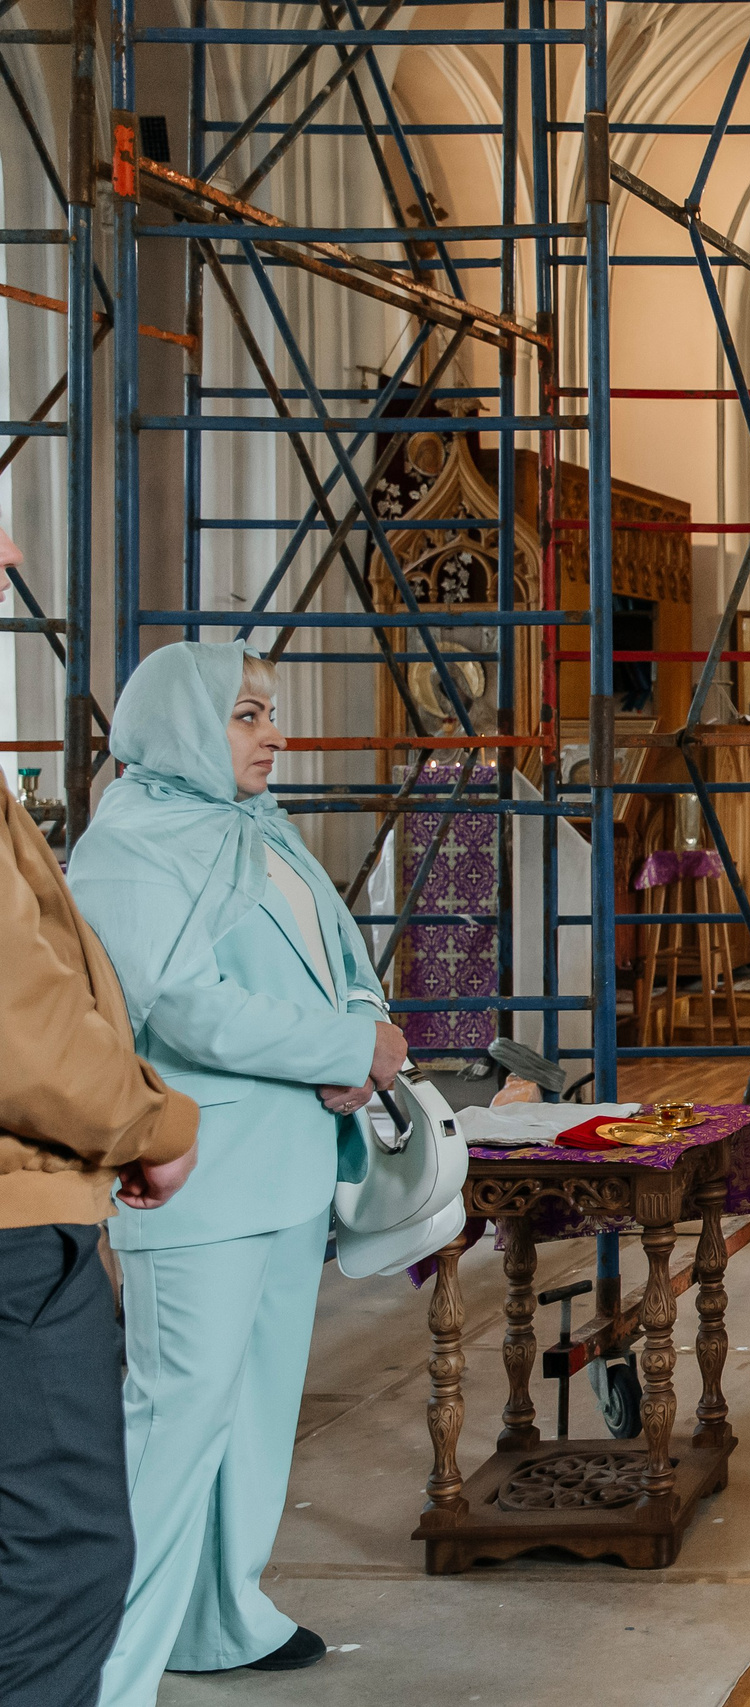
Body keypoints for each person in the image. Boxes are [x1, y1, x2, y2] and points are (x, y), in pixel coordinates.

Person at [67, 641, 408, 1700]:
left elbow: (340, 963)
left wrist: (366, 1023)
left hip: (290, 1163)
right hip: (200, 1171)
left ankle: (222, 1614)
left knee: (255, 1412)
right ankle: (103, 1673)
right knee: (174, 1424)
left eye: (271, 714)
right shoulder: (131, 846)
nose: (277, 735)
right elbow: (177, 1005)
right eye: (250, 715)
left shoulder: (258, 831)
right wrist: (342, 1052)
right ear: (181, 724)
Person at [0, 550, 203, 1707]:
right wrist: (145, 1120)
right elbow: (18, 1012)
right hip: (20, 1215)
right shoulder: (136, 837)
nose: (13, 550)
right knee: (67, 1556)